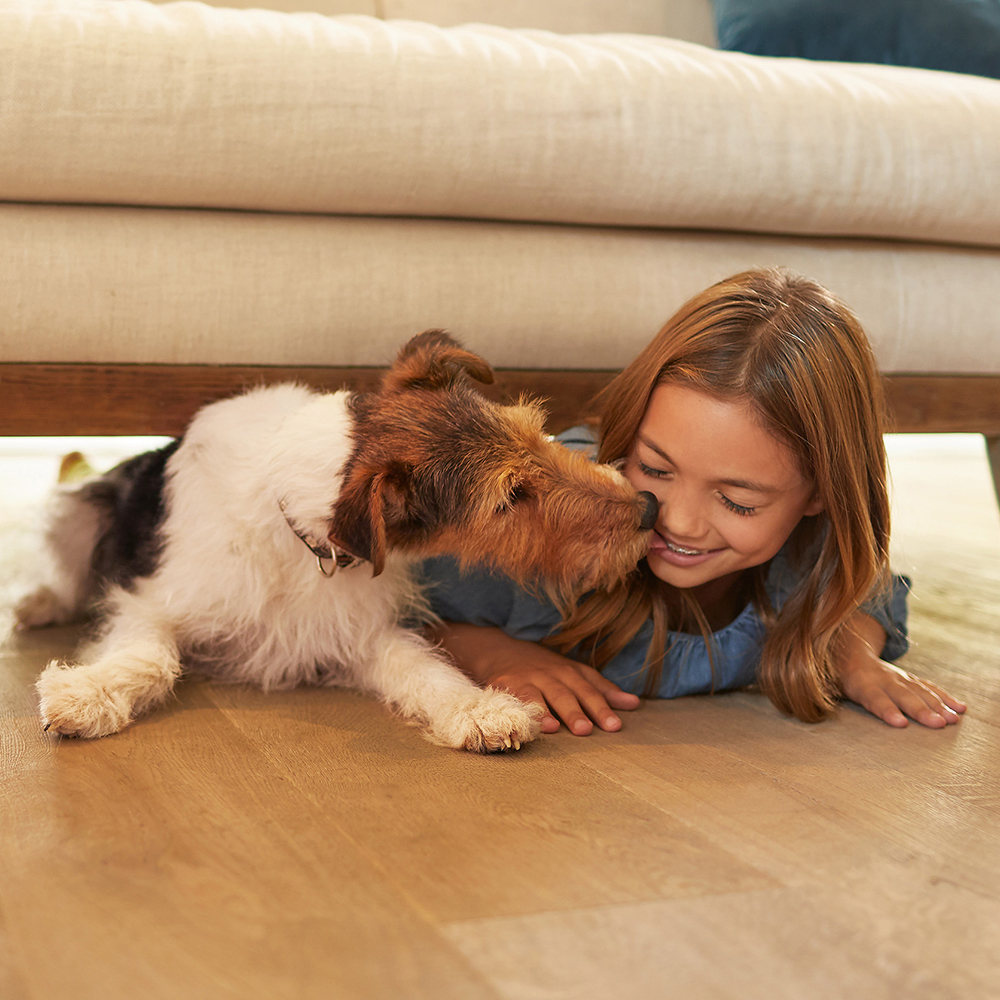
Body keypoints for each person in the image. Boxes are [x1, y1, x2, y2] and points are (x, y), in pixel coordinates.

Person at [422, 268, 967, 736]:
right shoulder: (539, 518)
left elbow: (872, 590)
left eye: (737, 502)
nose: (675, 522)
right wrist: (490, 652)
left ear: (821, 496)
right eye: (654, 469)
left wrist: (848, 650)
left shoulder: (816, 552)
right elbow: (391, 611)